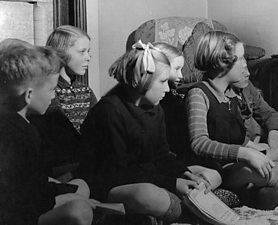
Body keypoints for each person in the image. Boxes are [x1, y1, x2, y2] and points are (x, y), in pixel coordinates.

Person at [185, 31, 278, 209]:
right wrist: (246, 154)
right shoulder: (198, 94)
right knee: (257, 172)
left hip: (239, 164)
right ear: (221, 61)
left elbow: (235, 135)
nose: (245, 65)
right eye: (240, 59)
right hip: (218, 169)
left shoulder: (230, 96)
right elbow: (199, 143)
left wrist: (254, 149)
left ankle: (253, 190)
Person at [80, 41, 221, 224]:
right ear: (142, 80)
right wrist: (171, 182)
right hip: (112, 183)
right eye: (162, 82)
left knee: (207, 175)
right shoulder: (109, 111)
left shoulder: (155, 108)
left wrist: (184, 174)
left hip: (148, 174)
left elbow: (162, 155)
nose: (167, 88)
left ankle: (173, 207)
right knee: (147, 195)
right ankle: (183, 209)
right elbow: (119, 171)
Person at [0, 39, 95, 225]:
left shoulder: (18, 123)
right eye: (52, 89)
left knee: (80, 187)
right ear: (28, 95)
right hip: (18, 214)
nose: (54, 96)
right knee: (80, 208)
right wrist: (66, 198)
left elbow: (31, 181)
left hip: (25, 201)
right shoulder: (21, 134)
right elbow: (29, 197)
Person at [29, 25, 97, 182]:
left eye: (89, 51)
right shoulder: (47, 92)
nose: (88, 57)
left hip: (85, 165)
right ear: (62, 53)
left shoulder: (85, 91)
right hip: (59, 170)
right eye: (82, 52)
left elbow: (100, 130)